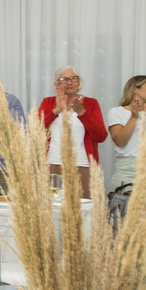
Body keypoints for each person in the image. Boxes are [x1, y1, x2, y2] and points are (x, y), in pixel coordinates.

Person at [38, 66, 107, 199]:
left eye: (73, 79)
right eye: (64, 79)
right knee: (52, 207)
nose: (69, 82)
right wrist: (56, 111)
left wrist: (82, 113)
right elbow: (35, 130)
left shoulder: (91, 103)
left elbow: (101, 136)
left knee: (83, 208)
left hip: (81, 164)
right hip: (52, 163)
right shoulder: (48, 102)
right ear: (56, 84)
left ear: (78, 82)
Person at [107, 75, 146, 188]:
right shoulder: (116, 112)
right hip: (127, 169)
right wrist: (134, 117)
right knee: (122, 205)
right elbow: (120, 141)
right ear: (135, 89)